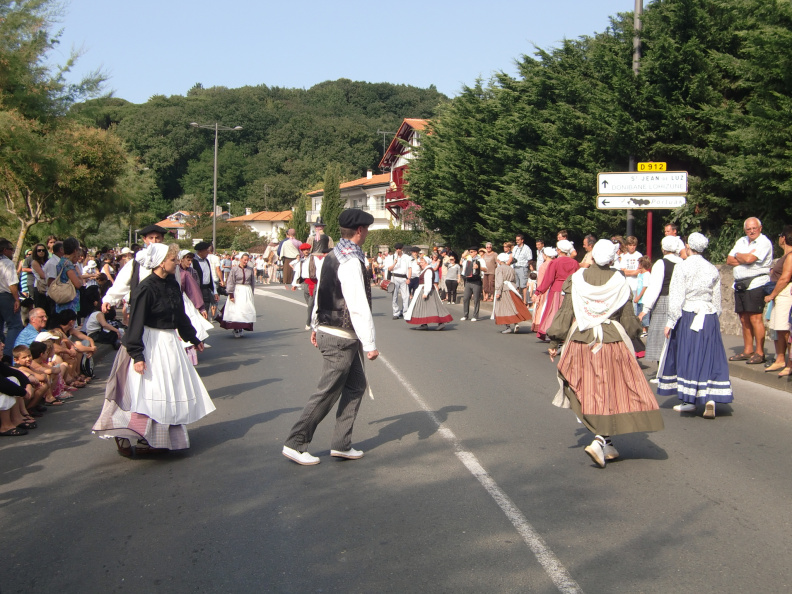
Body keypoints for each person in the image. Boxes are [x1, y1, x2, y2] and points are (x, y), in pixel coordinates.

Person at [547, 239, 664, 468]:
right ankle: (603, 440)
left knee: (586, 389)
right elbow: (628, 318)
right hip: (612, 339)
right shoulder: (619, 280)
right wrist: (636, 335)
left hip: (581, 338)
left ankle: (603, 440)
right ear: (612, 258)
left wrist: (554, 340)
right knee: (612, 390)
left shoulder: (577, 278)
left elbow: (566, 311)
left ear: (592, 256)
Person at [92, 243, 215, 456]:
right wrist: (137, 355)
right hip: (150, 341)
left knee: (169, 388)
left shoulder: (172, 283)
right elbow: (136, 322)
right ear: (160, 263)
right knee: (149, 391)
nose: (176, 263)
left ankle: (159, 439)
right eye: (173, 260)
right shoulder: (146, 288)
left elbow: (180, 315)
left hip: (169, 342)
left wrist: (193, 338)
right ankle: (135, 435)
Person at [282, 209, 378, 465]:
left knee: (356, 385)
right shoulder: (351, 261)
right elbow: (357, 304)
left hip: (332, 331)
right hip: (340, 336)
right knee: (327, 391)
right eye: (367, 229)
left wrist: (315, 325)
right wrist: (370, 343)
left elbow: (320, 295)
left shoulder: (333, 256)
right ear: (360, 231)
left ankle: (341, 444)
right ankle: (295, 442)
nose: (367, 233)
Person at [658, 233, 733, 418]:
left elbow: (677, 297)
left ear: (688, 246)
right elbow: (717, 301)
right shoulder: (712, 269)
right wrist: (713, 317)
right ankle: (710, 397)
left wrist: (671, 321)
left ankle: (689, 400)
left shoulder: (682, 267)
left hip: (689, 315)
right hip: (709, 316)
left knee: (689, 355)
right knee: (709, 355)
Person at [726, 217, 773, 365]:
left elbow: (750, 259)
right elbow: (729, 260)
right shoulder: (741, 241)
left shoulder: (764, 242)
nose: (752, 231)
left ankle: (759, 352)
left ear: (760, 228)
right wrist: (744, 257)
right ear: (745, 230)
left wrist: (740, 256)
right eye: (748, 229)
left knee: (755, 318)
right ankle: (748, 350)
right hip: (740, 284)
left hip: (756, 283)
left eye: (754, 228)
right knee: (744, 318)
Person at [639, 236, 685, 376]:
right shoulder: (682, 262)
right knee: (676, 336)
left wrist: (646, 308)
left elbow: (655, 287)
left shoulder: (661, 263)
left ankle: (662, 372)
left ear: (663, 248)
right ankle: (676, 370)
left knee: (660, 337)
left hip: (664, 301)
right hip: (680, 301)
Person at [101, 224, 167, 314]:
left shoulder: (170, 262)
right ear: (145, 239)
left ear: (162, 239)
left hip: (164, 309)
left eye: (157, 238)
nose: (154, 241)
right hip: (140, 308)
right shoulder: (136, 262)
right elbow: (121, 284)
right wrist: (109, 300)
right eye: (151, 238)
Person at [534, 240, 579, 340]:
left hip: (556, 289)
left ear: (559, 250)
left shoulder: (554, 262)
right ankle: (568, 333)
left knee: (553, 311)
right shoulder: (575, 263)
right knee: (569, 312)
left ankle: (552, 332)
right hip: (570, 290)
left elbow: (548, 279)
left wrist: (538, 291)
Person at [764, 226, 792, 375]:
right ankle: (780, 359)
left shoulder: (790, 256)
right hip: (780, 294)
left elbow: (785, 278)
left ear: (784, 238)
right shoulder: (785, 256)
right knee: (778, 329)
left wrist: (772, 295)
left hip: (785, 293)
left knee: (785, 330)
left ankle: (790, 363)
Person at [404, 258, 452, 330]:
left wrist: (426, 292)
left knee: (432, 307)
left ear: (426, 262)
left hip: (426, 290)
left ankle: (440, 323)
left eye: (422, 262)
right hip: (424, 289)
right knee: (425, 307)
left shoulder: (428, 270)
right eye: (420, 262)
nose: (420, 264)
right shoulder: (425, 270)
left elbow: (428, 282)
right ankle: (424, 324)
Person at [218, 252, 256, 338]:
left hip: (246, 290)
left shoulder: (250, 270)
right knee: (237, 310)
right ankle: (236, 328)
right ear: (240, 259)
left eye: (247, 260)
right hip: (237, 290)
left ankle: (242, 327)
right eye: (244, 260)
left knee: (245, 309)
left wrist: (252, 293)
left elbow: (252, 282)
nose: (246, 262)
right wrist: (231, 294)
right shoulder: (234, 269)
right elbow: (231, 281)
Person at [492, 253, 532, 334]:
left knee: (504, 308)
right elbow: (514, 280)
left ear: (500, 260)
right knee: (513, 307)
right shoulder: (511, 268)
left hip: (504, 289)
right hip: (512, 288)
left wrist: (498, 292)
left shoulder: (499, 269)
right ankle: (516, 323)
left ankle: (508, 327)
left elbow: (499, 281)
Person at [0, 238, 24, 362]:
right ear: (4, 250)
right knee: (15, 325)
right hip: (6, 296)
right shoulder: (7, 263)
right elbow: (12, 284)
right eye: (11, 249)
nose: (12, 252)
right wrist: (17, 299)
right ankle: (8, 354)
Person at [531, 247, 556, 336]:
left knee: (542, 306)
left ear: (545, 255)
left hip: (545, 289)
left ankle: (540, 325)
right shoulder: (555, 263)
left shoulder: (544, 265)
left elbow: (541, 280)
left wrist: (538, 292)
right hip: (553, 289)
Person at [192, 241, 218, 316]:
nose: (208, 252)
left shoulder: (206, 261)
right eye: (206, 250)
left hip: (206, 290)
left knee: (206, 309)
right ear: (200, 251)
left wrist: (215, 291)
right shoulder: (194, 261)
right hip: (198, 290)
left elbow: (210, 276)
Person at [386, 243, 410, 319]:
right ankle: (396, 313)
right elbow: (389, 269)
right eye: (397, 249)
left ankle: (405, 312)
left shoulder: (406, 257)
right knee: (394, 296)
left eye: (399, 248)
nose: (398, 250)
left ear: (402, 248)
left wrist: (409, 278)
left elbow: (409, 268)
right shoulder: (392, 257)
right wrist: (394, 263)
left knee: (406, 296)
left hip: (404, 277)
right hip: (395, 277)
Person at [460, 247, 483, 321]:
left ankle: (475, 316)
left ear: (476, 252)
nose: (470, 253)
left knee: (476, 299)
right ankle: (465, 315)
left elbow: (486, 269)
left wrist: (478, 267)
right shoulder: (468, 260)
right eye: (470, 252)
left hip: (476, 281)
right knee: (466, 298)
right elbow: (462, 264)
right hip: (468, 281)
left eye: (472, 252)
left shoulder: (480, 260)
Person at [634, 256, 652, 333]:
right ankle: (640, 328)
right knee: (638, 313)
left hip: (643, 298)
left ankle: (644, 330)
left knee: (644, 314)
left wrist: (639, 297)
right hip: (639, 298)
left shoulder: (647, 274)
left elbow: (645, 287)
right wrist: (636, 296)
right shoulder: (639, 274)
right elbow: (638, 286)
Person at [512, 234, 533, 303]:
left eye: (518, 240)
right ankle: (518, 300)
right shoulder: (515, 248)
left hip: (523, 267)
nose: (517, 241)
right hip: (515, 267)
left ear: (522, 240)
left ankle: (525, 301)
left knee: (523, 285)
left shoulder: (526, 248)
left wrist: (529, 266)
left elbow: (530, 259)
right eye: (516, 240)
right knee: (516, 285)